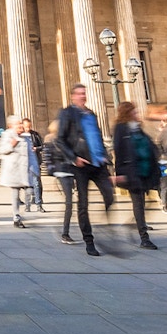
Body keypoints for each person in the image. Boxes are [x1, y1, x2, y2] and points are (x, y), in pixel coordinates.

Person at [55, 84, 114, 257]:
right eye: (79, 94)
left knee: (110, 195)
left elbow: (97, 136)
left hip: (98, 163)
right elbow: (60, 140)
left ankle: (104, 227)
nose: (83, 96)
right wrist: (74, 158)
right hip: (81, 164)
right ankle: (89, 241)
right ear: (73, 96)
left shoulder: (91, 114)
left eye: (84, 93)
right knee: (83, 204)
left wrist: (104, 155)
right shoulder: (67, 113)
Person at [111, 102, 160, 250]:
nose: (137, 113)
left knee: (149, 202)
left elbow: (150, 146)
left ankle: (135, 223)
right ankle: (144, 238)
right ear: (127, 112)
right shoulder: (120, 129)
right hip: (132, 172)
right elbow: (118, 151)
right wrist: (119, 173)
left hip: (146, 171)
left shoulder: (138, 128)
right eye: (134, 111)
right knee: (139, 204)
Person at [43, 119, 76, 244]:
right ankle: (64, 233)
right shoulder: (50, 139)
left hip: (71, 171)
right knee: (69, 202)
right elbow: (47, 156)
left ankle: (64, 229)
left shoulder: (67, 140)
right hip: (61, 172)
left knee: (71, 202)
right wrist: (51, 169)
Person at [0, 115, 31, 228]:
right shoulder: (7, 135)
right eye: (18, 123)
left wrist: (35, 168)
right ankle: (16, 217)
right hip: (14, 171)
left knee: (30, 192)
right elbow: (0, 150)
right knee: (15, 195)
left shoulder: (26, 137)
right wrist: (11, 145)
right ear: (11, 125)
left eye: (21, 123)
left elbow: (31, 154)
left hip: (26, 170)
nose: (20, 125)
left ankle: (23, 213)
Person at [21, 118, 45, 213]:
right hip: (24, 163)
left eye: (29, 126)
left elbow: (42, 146)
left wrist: (36, 148)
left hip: (35, 162)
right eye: (26, 126)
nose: (28, 128)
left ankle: (39, 204)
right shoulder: (21, 136)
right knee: (27, 185)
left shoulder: (35, 135)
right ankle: (27, 205)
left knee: (36, 184)